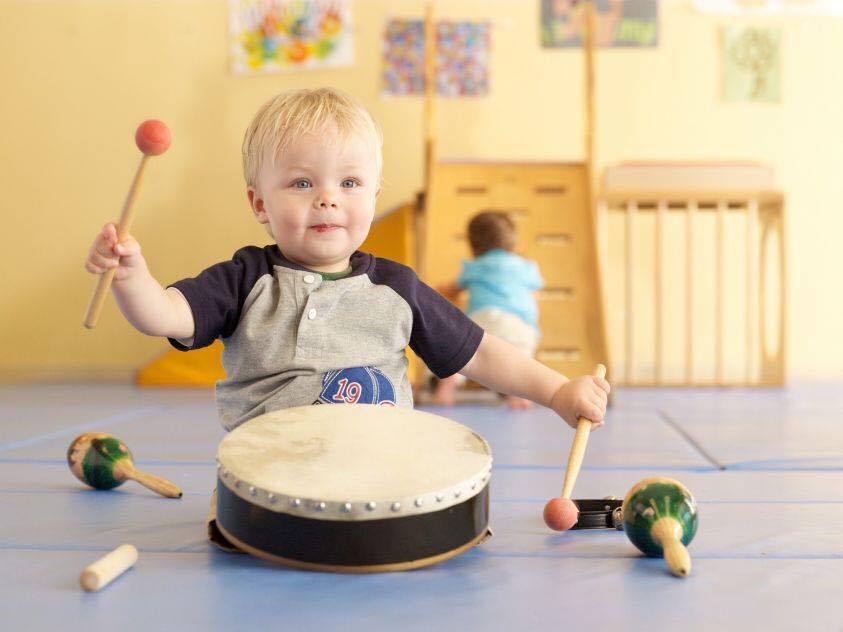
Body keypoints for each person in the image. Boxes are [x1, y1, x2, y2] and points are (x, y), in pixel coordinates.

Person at [84, 87, 609, 433]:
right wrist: (132, 276)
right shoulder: (244, 279)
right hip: (273, 468)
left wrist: (558, 391)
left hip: (377, 464)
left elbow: (481, 354)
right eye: (302, 182)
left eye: (349, 182)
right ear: (259, 203)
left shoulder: (396, 288)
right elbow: (165, 315)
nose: (328, 197)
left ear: (374, 196)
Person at [433, 211, 543, 409]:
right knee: (520, 361)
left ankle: (446, 390)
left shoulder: (475, 267)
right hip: (518, 324)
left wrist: (441, 290)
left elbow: (452, 290)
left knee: (463, 355)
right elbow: (535, 295)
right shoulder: (526, 267)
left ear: (473, 244)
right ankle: (519, 396)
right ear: (513, 240)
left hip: (482, 319)